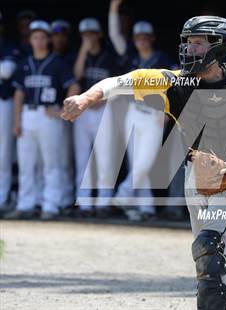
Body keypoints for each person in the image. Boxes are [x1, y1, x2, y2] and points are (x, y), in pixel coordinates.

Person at [61, 16, 226, 310]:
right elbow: (121, 81)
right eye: (187, 42)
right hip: (195, 176)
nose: (188, 49)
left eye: (197, 43)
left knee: (209, 249)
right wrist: (85, 97)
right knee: (212, 259)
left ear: (218, 46)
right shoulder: (174, 82)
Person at [109, 0, 176, 221]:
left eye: (145, 37)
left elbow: (176, 87)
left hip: (154, 116)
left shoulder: (162, 59)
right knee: (137, 163)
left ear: (152, 38)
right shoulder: (132, 56)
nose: (141, 41)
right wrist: (113, 9)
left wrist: (167, 112)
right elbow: (115, 37)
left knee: (144, 163)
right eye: (138, 38)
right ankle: (145, 207)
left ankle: (123, 194)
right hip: (134, 113)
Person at [4, 20, 79, 220]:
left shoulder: (57, 62)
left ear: (48, 40)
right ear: (29, 40)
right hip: (28, 115)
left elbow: (73, 87)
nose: (38, 41)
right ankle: (25, 204)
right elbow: (19, 93)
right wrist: (17, 121)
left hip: (49, 115)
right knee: (26, 164)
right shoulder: (24, 63)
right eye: (35, 37)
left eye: (42, 37)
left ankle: (50, 205)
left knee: (51, 164)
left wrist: (63, 109)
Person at [73, 17, 120, 218]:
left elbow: (118, 87)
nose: (89, 38)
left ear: (99, 34)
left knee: (105, 158)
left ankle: (103, 202)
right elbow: (76, 76)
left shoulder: (109, 57)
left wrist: (100, 101)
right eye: (85, 34)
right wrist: (83, 49)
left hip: (104, 110)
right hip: (83, 111)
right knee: (82, 158)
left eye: (92, 34)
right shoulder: (79, 56)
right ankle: (83, 203)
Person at [50, 19, 77, 210]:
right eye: (56, 34)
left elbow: (74, 82)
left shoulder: (70, 57)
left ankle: (66, 198)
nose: (59, 38)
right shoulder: (43, 56)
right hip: (46, 115)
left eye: (63, 35)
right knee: (49, 160)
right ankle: (52, 198)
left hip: (66, 113)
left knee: (66, 158)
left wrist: (63, 110)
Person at [0, 11, 20, 214]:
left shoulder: (8, 45)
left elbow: (6, 70)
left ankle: (2, 196)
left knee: (3, 153)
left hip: (3, 103)